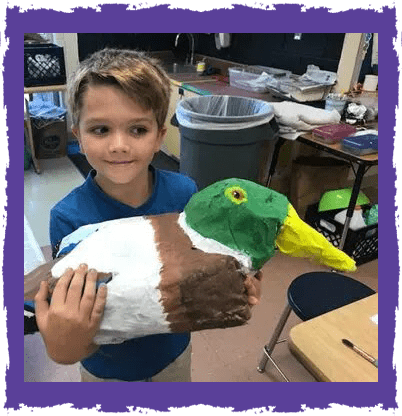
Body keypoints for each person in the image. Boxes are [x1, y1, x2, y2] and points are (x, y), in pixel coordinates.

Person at [34, 47, 261, 382]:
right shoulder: (68, 217)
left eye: (137, 130)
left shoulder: (184, 192)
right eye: (100, 130)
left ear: (159, 136)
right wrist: (65, 333)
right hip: (106, 369)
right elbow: (73, 305)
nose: (119, 145)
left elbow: (203, 259)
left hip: (172, 353)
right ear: (78, 137)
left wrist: (240, 280)